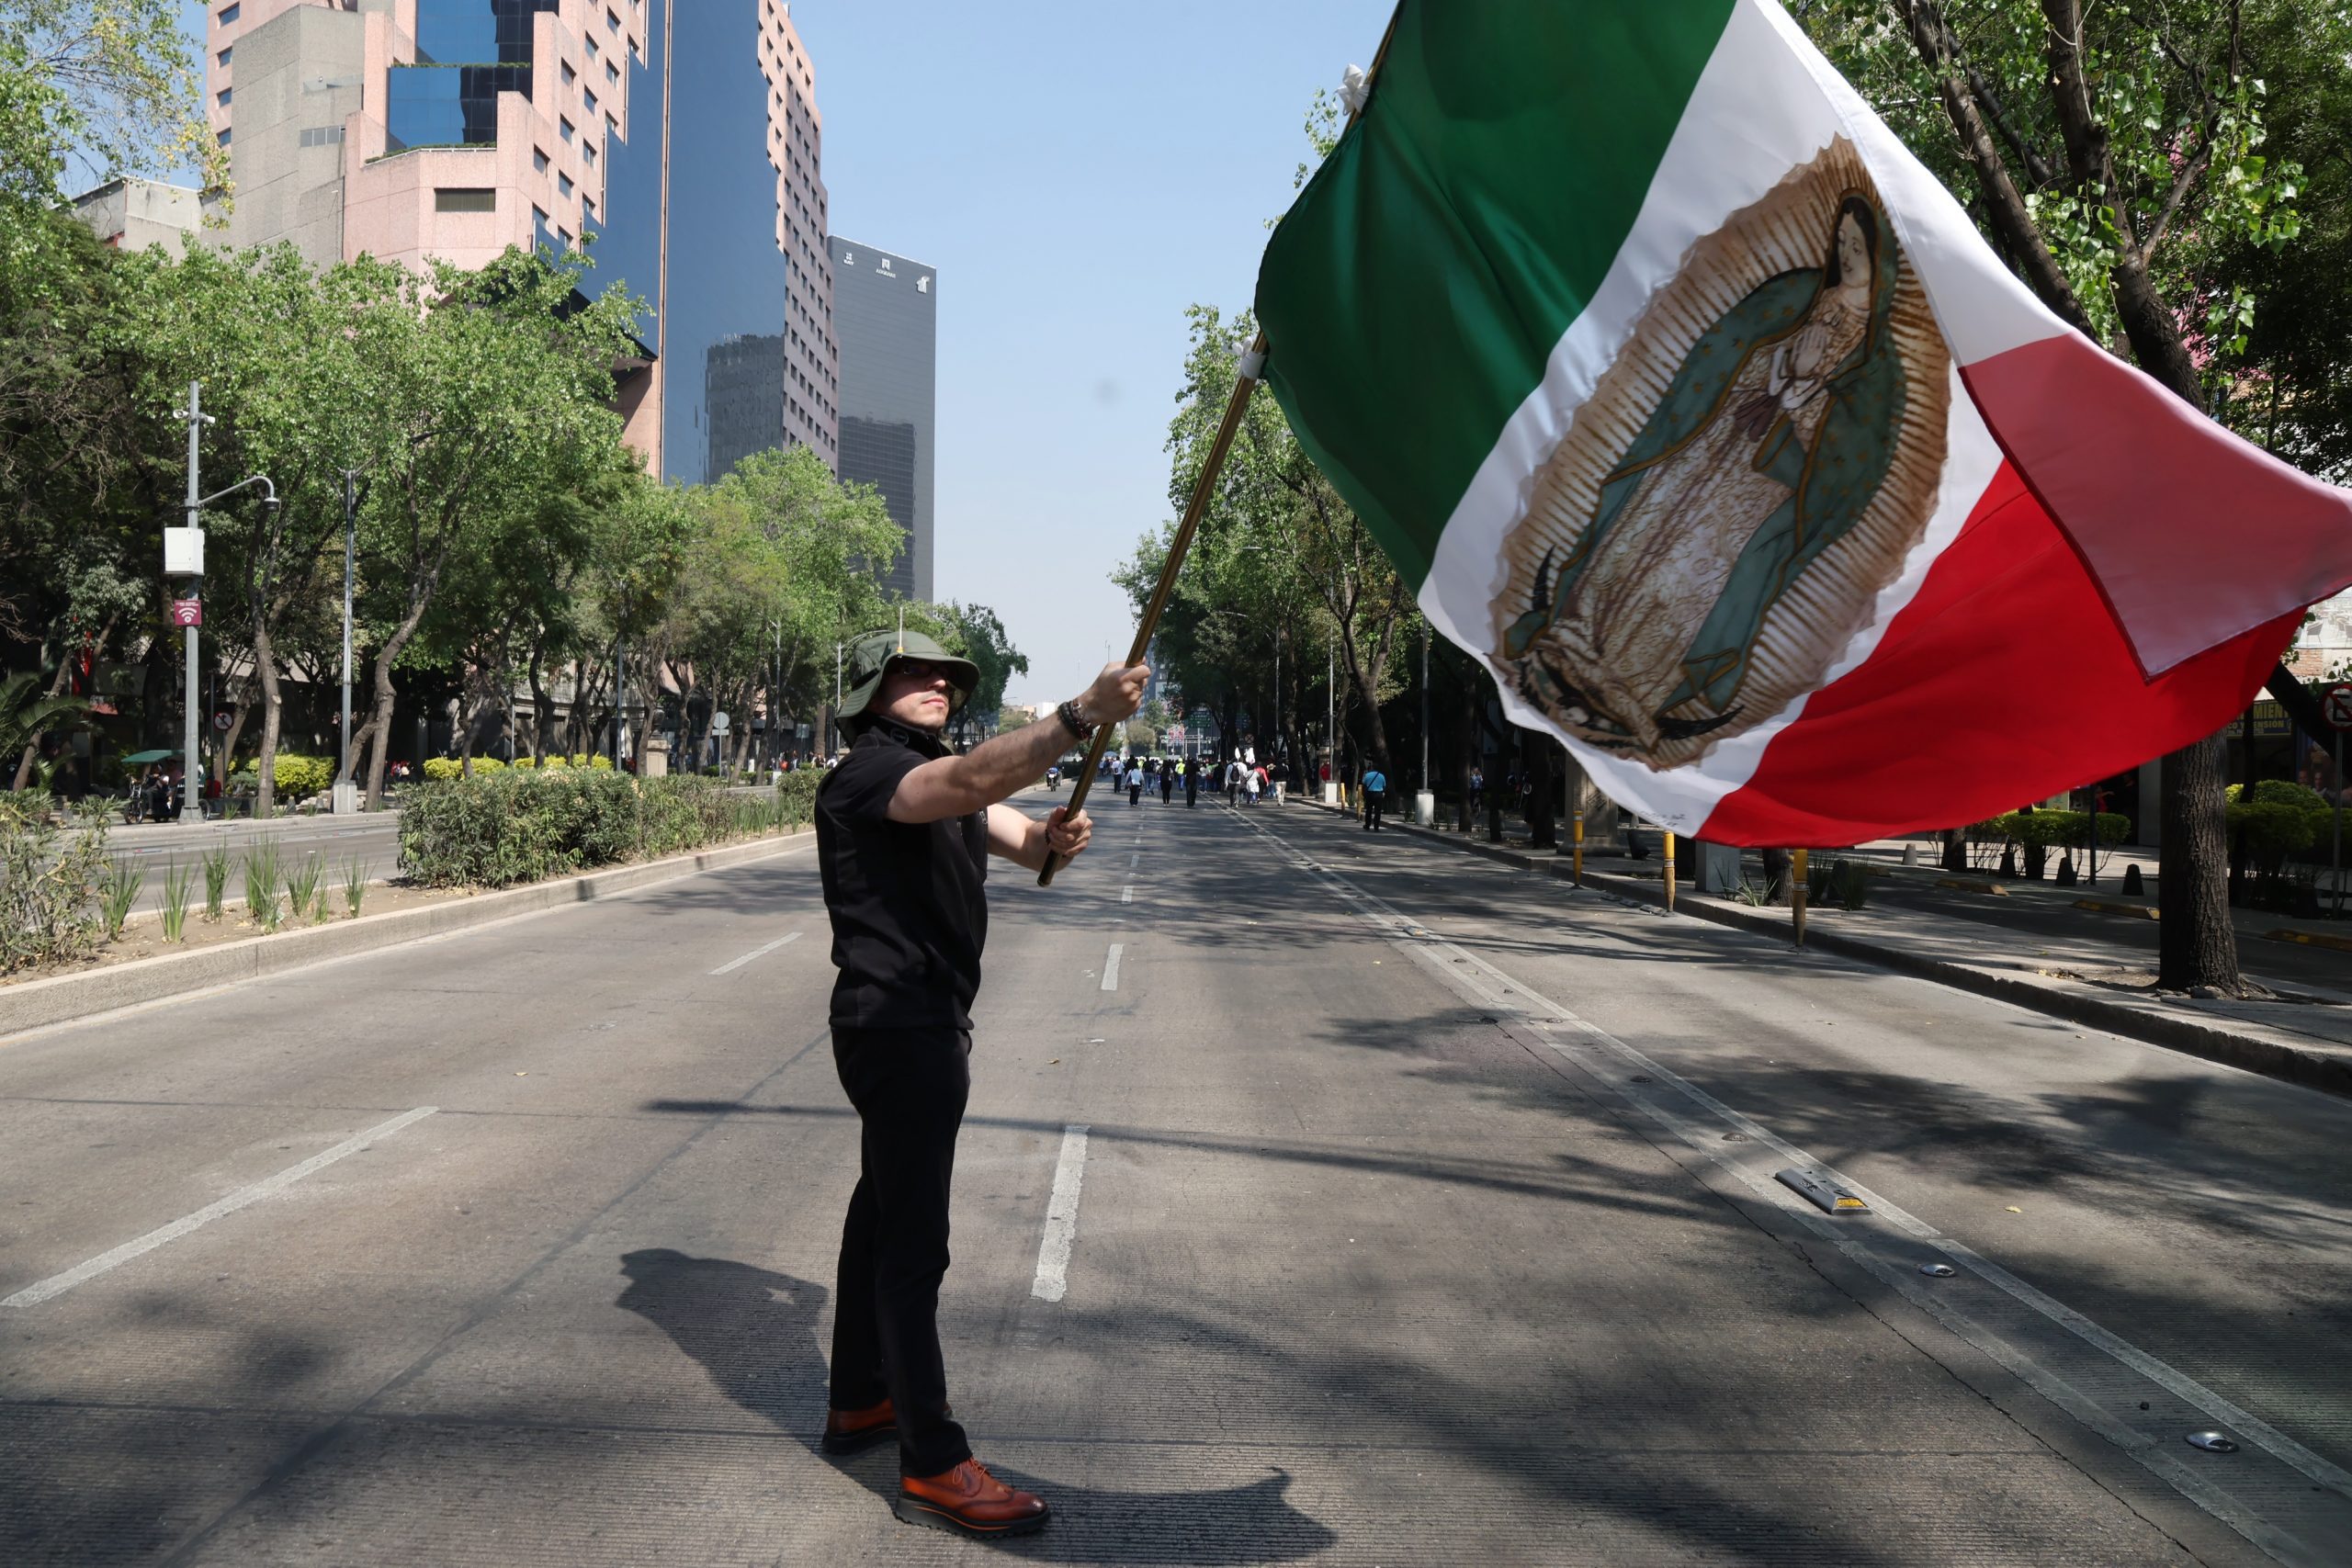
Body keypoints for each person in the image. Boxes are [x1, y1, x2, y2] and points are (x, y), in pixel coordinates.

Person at [815, 626, 1147, 1537]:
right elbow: (964, 788)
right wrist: (1080, 716)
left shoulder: (940, 772)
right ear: (866, 694)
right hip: (900, 1027)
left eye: (943, 676)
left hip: (915, 1024)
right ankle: (932, 1460)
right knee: (913, 1245)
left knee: (878, 1215)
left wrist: (1055, 838)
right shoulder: (871, 775)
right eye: (907, 673)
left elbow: (1016, 830)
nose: (933, 684)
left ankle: (861, 1400)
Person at [1362, 762, 1388, 831]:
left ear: (1372, 768)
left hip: (1370, 794)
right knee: (1378, 812)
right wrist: (1383, 793)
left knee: (1369, 810)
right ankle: (1376, 827)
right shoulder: (1382, 776)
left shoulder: (1367, 775)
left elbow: (1364, 784)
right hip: (1378, 794)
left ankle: (1367, 826)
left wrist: (1363, 794)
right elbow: (1384, 786)